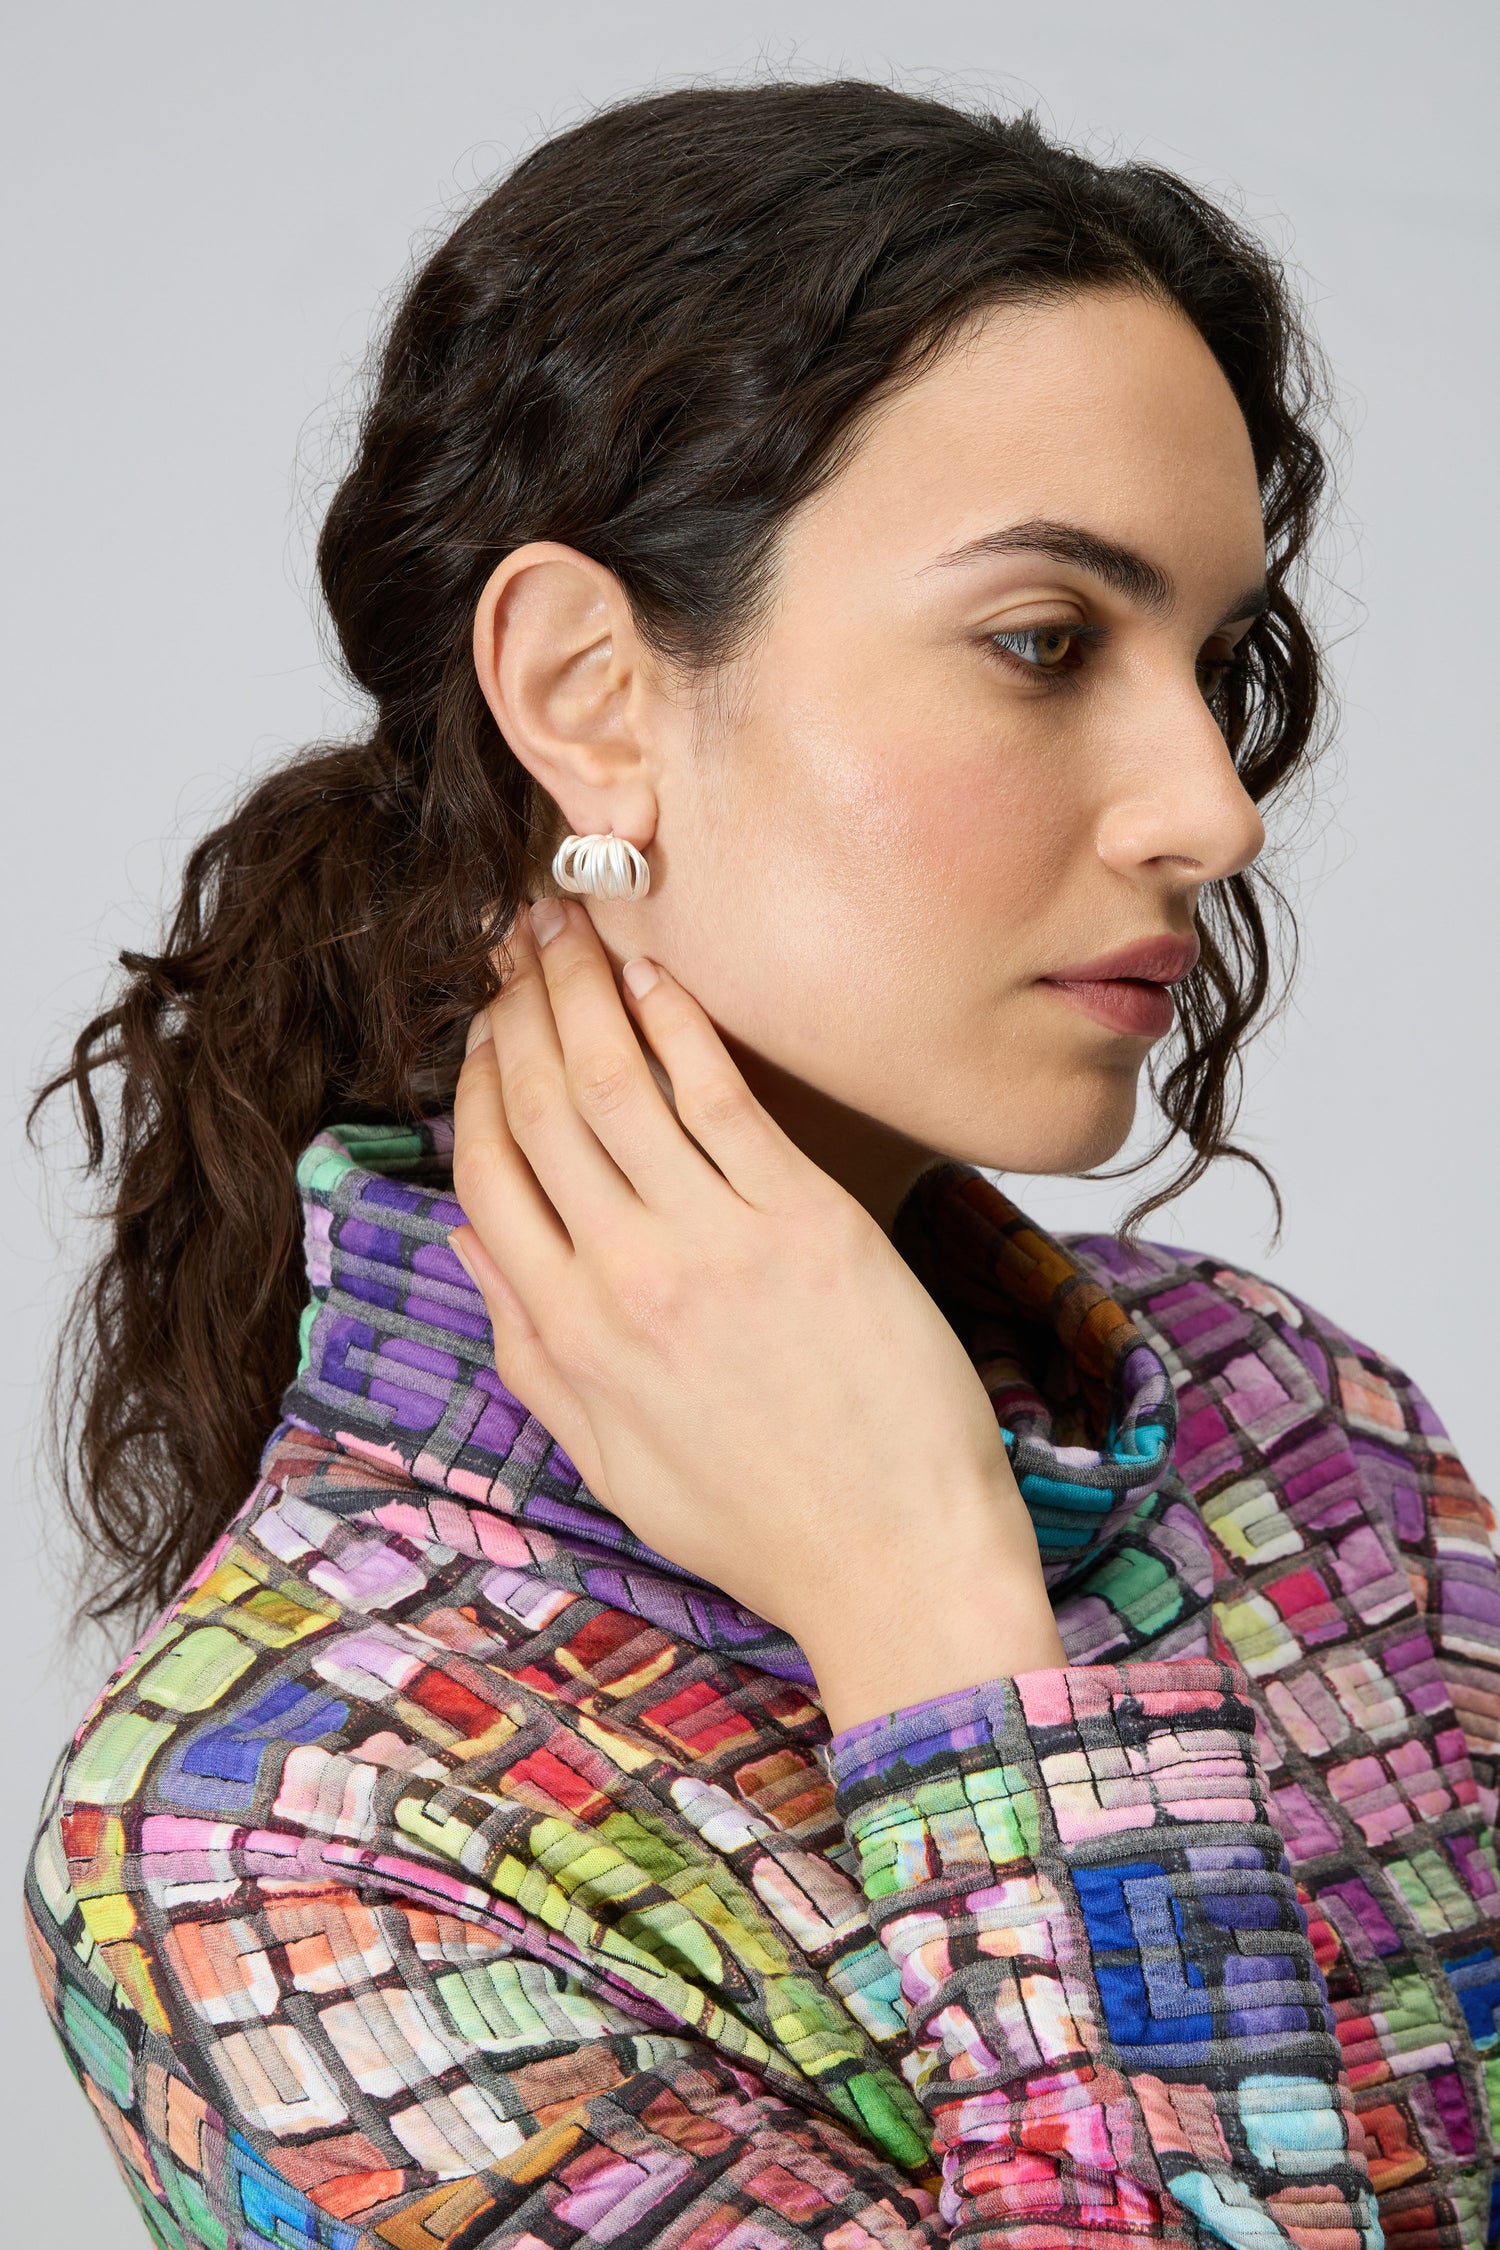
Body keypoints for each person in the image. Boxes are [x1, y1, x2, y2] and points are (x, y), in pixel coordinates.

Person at [25, 78, 1499, 2250]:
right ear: (588, 688)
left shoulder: (1309, 1448)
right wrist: (936, 1629)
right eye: (1045, 642)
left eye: (1213, 660)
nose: (1214, 805)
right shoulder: (282, 1831)